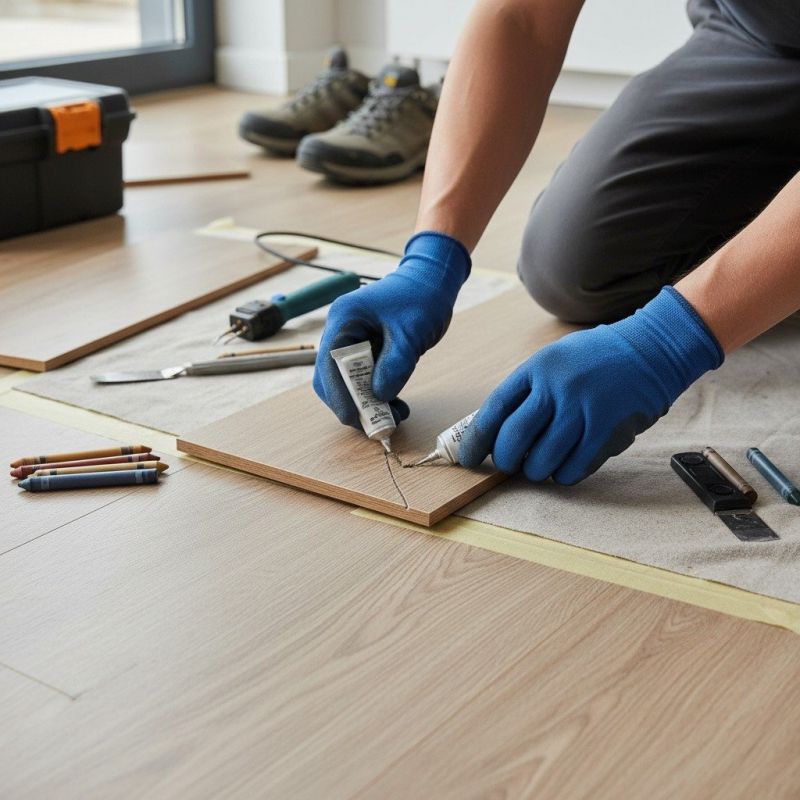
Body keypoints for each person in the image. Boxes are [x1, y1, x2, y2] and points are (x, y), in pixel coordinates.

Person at [313, 0, 800, 485]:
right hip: (762, 42)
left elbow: (668, 340)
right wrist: (430, 258)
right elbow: (521, 17)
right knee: (572, 267)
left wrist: (667, 342)